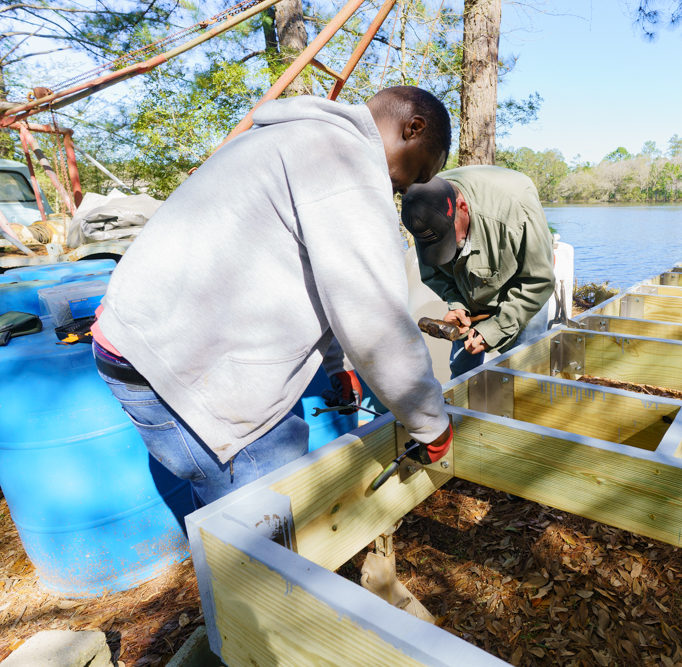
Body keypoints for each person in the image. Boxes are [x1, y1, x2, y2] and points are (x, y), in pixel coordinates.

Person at [91, 86, 454, 507]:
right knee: (267, 524)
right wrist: (431, 424)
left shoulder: (285, 138)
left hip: (138, 346)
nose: (408, 187)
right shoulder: (347, 161)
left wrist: (336, 365)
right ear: (413, 128)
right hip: (182, 369)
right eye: (420, 171)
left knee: (227, 510)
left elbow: (320, 282)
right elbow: (375, 318)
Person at [401, 166, 555, 379]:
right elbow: (434, 274)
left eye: (447, 238)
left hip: (525, 291)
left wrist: (493, 330)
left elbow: (539, 281)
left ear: (462, 207)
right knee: (461, 372)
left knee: (523, 372)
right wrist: (457, 305)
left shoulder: (516, 208)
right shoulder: (423, 208)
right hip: (470, 291)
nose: (445, 247)